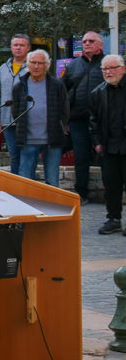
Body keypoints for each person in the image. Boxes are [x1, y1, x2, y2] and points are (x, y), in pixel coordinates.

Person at [13, 49, 69, 187]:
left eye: (40, 63)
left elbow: (65, 109)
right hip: (28, 139)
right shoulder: (20, 86)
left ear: (47, 65)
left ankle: (53, 208)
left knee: (52, 180)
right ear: (27, 64)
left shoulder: (56, 85)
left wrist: (61, 125)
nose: (36, 66)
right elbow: (15, 112)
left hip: (52, 138)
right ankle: (26, 208)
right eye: (33, 62)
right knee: (25, 180)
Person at [61, 31, 105, 202]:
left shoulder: (108, 64)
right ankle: (82, 193)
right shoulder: (73, 66)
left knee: (107, 156)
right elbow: (63, 93)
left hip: (102, 119)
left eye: (91, 41)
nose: (87, 44)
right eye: (84, 41)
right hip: (78, 119)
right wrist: (64, 119)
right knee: (81, 157)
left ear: (100, 44)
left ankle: (112, 192)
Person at [90, 54, 126, 235]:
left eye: (112, 68)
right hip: (109, 147)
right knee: (111, 185)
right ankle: (113, 219)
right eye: (105, 69)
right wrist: (97, 143)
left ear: (123, 68)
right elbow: (93, 121)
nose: (108, 72)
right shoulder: (98, 92)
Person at [0, 34, 31, 175]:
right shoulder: (3, 68)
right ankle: (16, 188)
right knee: (14, 155)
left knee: (27, 156)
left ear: (28, 48)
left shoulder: (32, 67)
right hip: (7, 119)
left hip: (27, 119)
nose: (18, 48)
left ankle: (28, 187)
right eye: (15, 45)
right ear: (11, 47)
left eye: (21, 45)